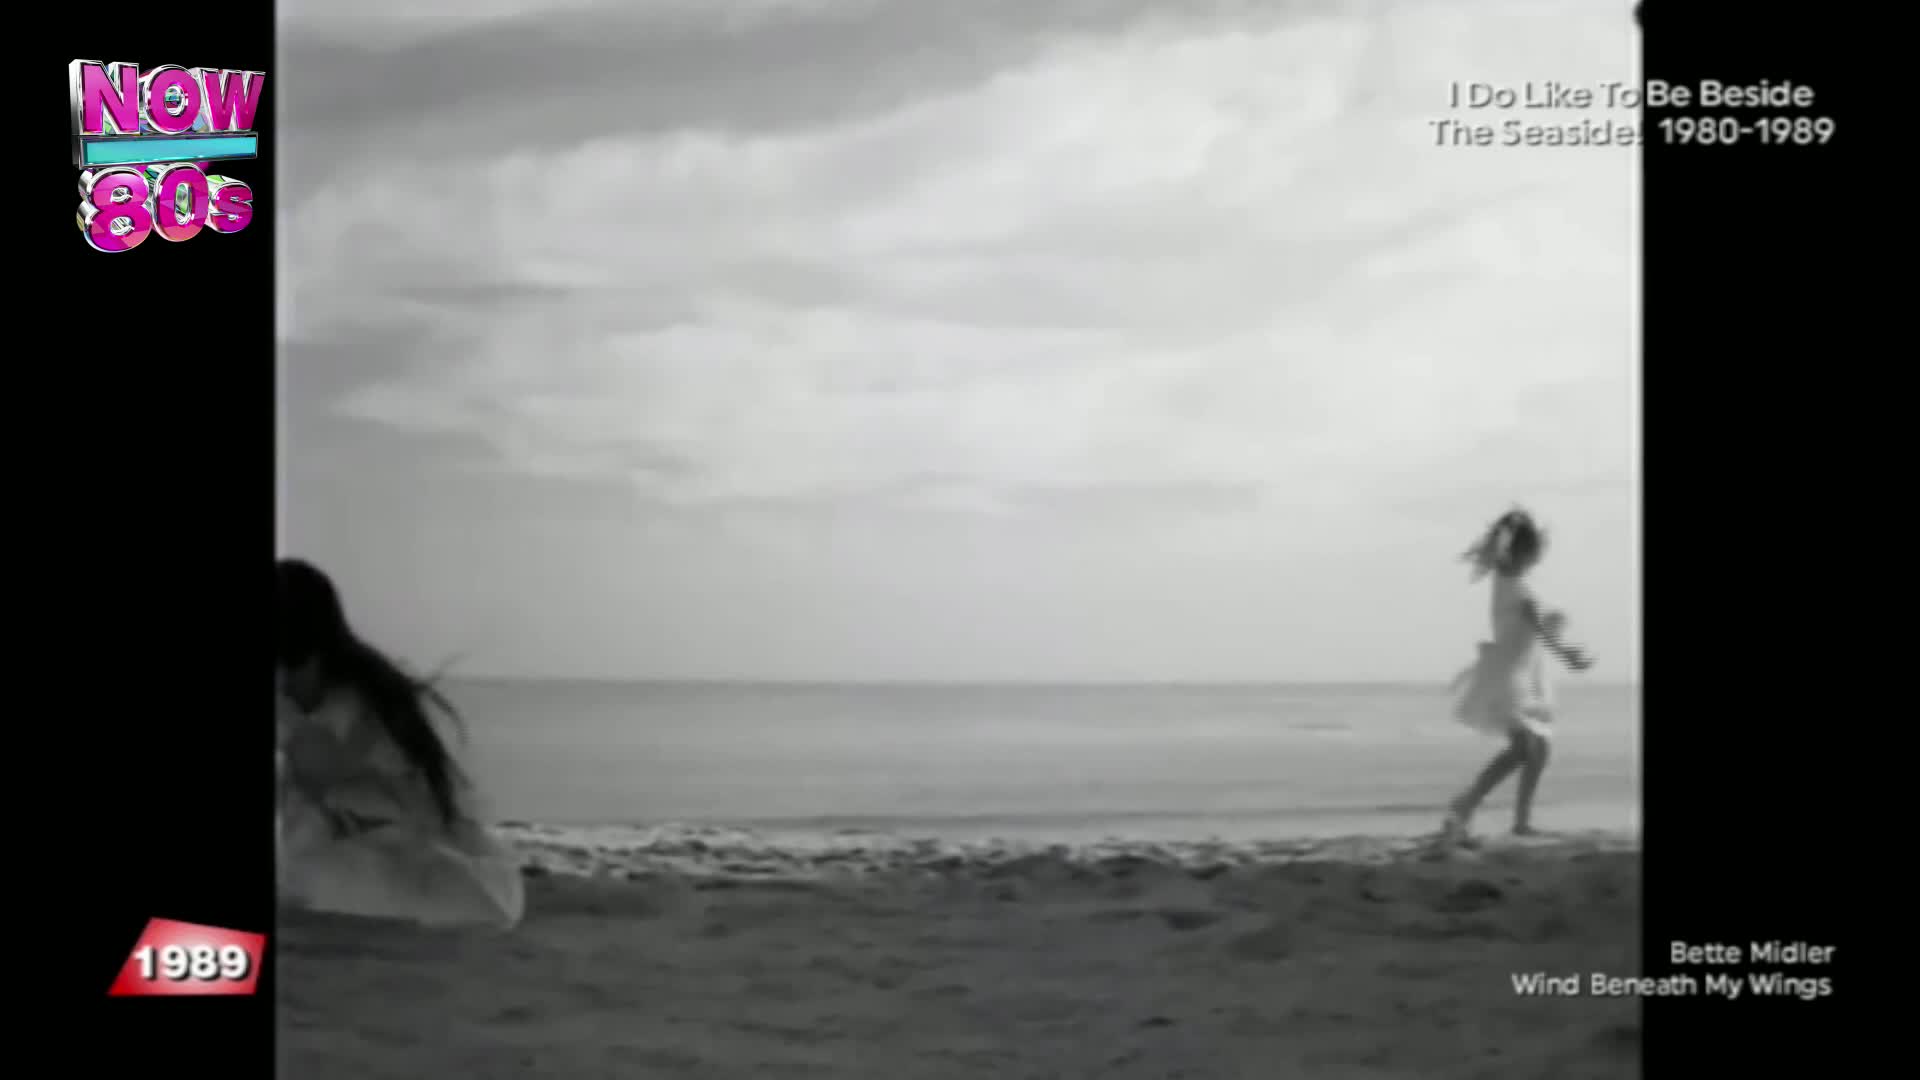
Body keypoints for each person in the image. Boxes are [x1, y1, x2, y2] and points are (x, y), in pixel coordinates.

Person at [276, 558, 524, 930]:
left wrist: (287, 715)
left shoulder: (358, 706)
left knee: (301, 870)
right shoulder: (316, 700)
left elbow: (317, 768)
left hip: (436, 871)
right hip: (388, 855)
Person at [1440, 509, 1593, 842]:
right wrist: (1568, 654)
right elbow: (1540, 629)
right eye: (1533, 551)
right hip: (1509, 676)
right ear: (1524, 551)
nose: (1536, 558)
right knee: (1525, 747)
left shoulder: (1510, 582)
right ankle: (1467, 802)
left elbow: (1535, 627)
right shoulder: (1512, 584)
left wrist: (1555, 626)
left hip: (1525, 671)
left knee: (1540, 748)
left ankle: (1521, 821)